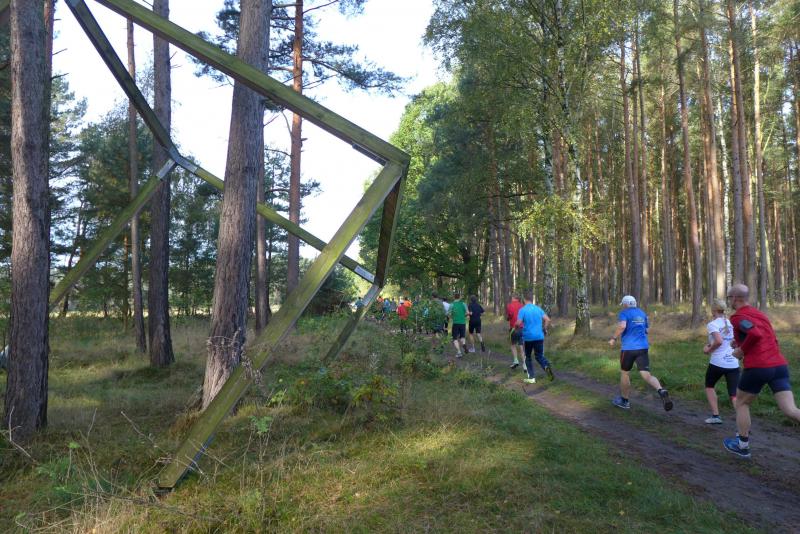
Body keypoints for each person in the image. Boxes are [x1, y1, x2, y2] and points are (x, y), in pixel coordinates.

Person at [723, 284, 800, 459]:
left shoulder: (737, 317)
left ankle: (742, 446)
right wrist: (739, 342)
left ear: (735, 298)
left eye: (729, 297)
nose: (729, 301)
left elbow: (755, 334)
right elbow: (767, 337)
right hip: (779, 366)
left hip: (759, 367)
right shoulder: (760, 315)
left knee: (741, 403)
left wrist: (741, 351)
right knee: (790, 410)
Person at [609, 295, 672, 411]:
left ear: (626, 304)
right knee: (646, 375)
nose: (623, 306)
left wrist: (613, 338)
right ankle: (661, 390)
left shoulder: (624, 313)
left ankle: (625, 401)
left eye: (623, 304)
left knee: (625, 373)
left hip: (628, 349)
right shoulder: (642, 313)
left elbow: (622, 326)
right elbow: (647, 330)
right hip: (643, 348)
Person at [702, 299, 740, 424]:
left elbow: (719, 341)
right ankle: (743, 422)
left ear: (713, 310)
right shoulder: (730, 323)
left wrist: (708, 350)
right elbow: (734, 341)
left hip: (718, 362)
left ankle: (716, 416)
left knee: (709, 386)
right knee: (734, 394)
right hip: (733, 362)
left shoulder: (713, 324)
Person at [515, 290, 553, 384]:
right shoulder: (538, 309)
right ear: (532, 299)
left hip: (528, 337)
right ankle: (547, 367)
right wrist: (544, 329)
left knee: (527, 356)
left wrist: (516, 327)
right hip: (539, 336)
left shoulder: (522, 310)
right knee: (539, 356)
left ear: (524, 299)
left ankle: (531, 377)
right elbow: (548, 320)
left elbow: (518, 323)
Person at [506, 294, 525, 369]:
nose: (511, 299)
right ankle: (524, 365)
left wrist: (508, 318)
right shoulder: (522, 305)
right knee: (521, 346)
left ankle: (516, 360)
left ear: (514, 298)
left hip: (513, 328)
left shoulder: (510, 305)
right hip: (522, 328)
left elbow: (510, 315)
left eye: (512, 297)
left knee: (512, 344)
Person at [448, 292, 469, 358]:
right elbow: (467, 313)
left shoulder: (452, 305)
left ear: (453, 297)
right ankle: (464, 344)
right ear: (459, 297)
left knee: (455, 338)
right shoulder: (463, 304)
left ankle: (459, 352)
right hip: (463, 323)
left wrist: (452, 317)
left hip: (455, 323)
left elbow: (449, 314)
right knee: (462, 337)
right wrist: (463, 316)